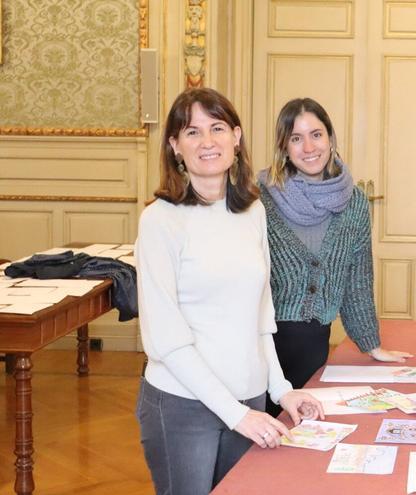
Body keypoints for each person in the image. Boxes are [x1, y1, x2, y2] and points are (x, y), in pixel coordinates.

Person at [135, 87, 324, 494]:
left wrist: (282, 390)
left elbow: (260, 316)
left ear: (236, 137)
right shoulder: (160, 221)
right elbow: (166, 341)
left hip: (250, 399)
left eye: (217, 127)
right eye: (192, 132)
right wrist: (234, 414)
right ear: (174, 146)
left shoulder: (252, 210)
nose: (208, 142)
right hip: (184, 405)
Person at [258, 97, 411, 415]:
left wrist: (371, 343)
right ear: (284, 146)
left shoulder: (354, 202)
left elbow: (358, 278)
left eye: (316, 134)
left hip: (314, 344)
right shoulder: (260, 200)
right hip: (261, 347)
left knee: (305, 436)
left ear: (330, 138)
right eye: (296, 138)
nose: (308, 147)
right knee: (263, 442)